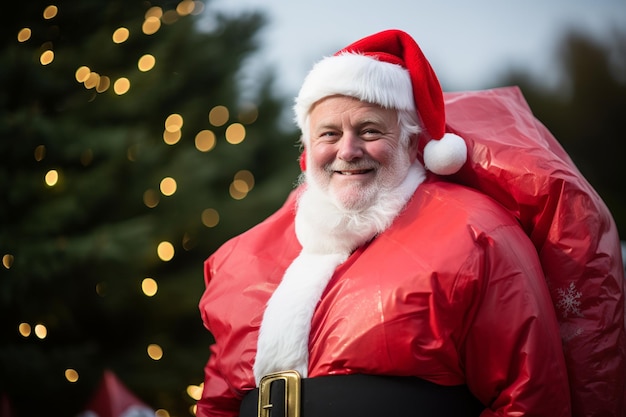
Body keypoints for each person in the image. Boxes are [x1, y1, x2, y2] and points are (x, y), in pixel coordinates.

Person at [198, 29, 625, 417]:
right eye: (328, 134)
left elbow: (530, 398)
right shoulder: (243, 256)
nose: (347, 150)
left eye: (368, 131)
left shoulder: (475, 236)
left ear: (409, 140)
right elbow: (215, 404)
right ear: (308, 149)